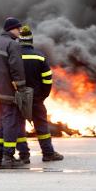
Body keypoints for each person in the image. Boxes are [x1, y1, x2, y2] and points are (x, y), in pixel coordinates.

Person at [0, 17, 27, 169]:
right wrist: (21, 88)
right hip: (8, 91)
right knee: (10, 122)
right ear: (11, 29)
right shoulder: (12, 45)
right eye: (18, 29)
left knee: (0, 122)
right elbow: (17, 69)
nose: (19, 32)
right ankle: (8, 156)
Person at [18, 25, 63, 162]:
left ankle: (23, 155)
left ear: (19, 40)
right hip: (36, 97)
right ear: (31, 40)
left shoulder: (14, 56)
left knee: (19, 126)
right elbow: (47, 79)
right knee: (42, 127)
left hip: (18, 97)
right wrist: (43, 95)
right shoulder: (39, 57)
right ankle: (48, 153)